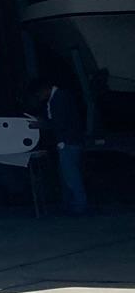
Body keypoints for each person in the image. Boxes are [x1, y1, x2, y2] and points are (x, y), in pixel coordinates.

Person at [38, 79, 89, 215]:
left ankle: (79, 205)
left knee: (71, 176)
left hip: (67, 142)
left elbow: (59, 123)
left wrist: (42, 125)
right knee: (69, 174)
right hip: (71, 141)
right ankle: (73, 204)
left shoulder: (58, 99)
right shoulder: (61, 96)